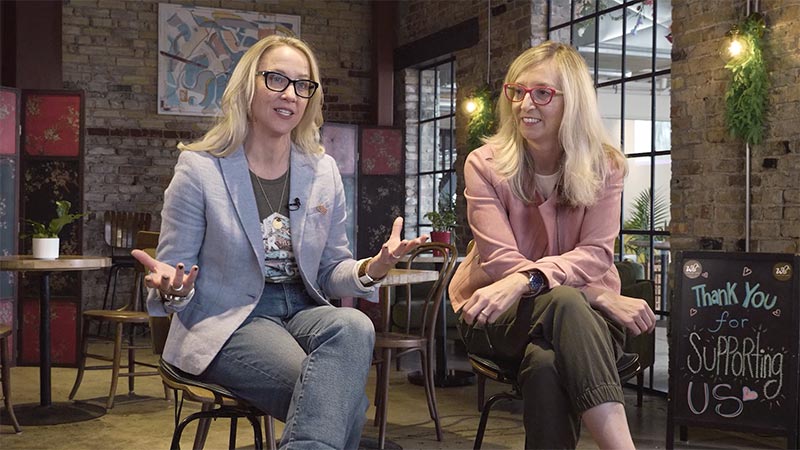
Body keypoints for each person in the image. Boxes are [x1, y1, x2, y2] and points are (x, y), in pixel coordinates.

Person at [132, 35, 428, 450]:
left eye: (303, 85)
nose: (290, 94)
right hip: (230, 318)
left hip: (302, 309)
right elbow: (176, 280)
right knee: (338, 399)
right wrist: (175, 290)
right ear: (248, 84)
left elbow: (330, 271)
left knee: (354, 325)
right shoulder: (199, 169)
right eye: (277, 79)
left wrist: (372, 269)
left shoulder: (322, 171)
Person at [448, 41, 656, 450]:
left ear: (572, 102)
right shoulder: (484, 165)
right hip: (499, 315)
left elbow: (596, 253)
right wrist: (596, 294)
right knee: (564, 301)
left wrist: (532, 279)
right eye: (517, 91)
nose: (526, 104)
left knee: (545, 362)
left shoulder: (605, 166)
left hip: (584, 326)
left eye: (542, 93)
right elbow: (500, 262)